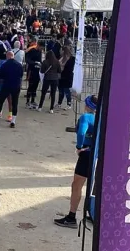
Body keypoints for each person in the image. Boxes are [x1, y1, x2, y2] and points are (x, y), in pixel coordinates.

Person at [54, 95, 97, 229]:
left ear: (87, 105)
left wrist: (79, 147)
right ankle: (94, 214)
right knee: (94, 186)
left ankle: (71, 217)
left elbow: (81, 133)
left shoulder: (86, 117)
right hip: (98, 154)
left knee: (77, 185)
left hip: (87, 153)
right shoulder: (104, 117)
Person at [0, 51, 24, 127]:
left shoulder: (4, 65)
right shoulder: (19, 65)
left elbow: (0, 76)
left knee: (0, 101)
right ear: (13, 56)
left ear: (7, 56)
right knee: (15, 103)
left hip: (6, 85)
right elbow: (21, 75)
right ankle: (13, 121)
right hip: (16, 86)